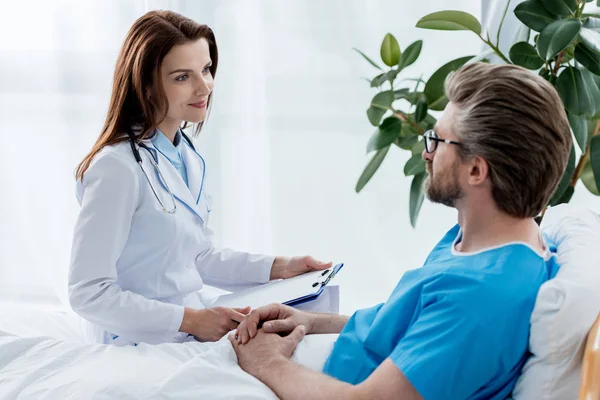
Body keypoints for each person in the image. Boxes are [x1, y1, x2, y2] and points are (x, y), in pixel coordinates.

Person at [229, 62, 572, 399]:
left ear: (476, 170)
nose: (426, 152)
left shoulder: (482, 298)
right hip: (322, 365)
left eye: (438, 140)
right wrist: (312, 320)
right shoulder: (481, 238)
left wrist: (266, 363)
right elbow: (412, 325)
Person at [68, 10, 331, 346]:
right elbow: (87, 292)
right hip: (136, 342)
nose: (204, 85)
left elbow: (197, 257)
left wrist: (281, 267)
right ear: (145, 86)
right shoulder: (116, 168)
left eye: (206, 69)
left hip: (191, 324)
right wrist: (191, 321)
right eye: (182, 77)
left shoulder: (185, 155)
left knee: (307, 331)